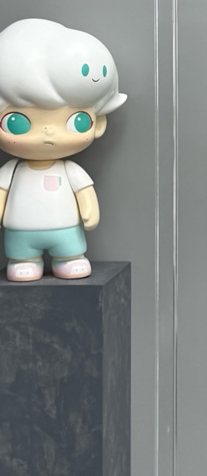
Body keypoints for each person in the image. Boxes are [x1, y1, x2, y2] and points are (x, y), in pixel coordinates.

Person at [0, 19, 126, 282]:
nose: (48, 133)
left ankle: (70, 258)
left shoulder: (71, 171)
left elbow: (84, 191)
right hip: (20, 232)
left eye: (76, 121)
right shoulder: (11, 171)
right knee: (21, 257)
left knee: (70, 251)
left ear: (98, 124)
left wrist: (89, 211)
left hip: (66, 229)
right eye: (17, 122)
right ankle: (23, 261)